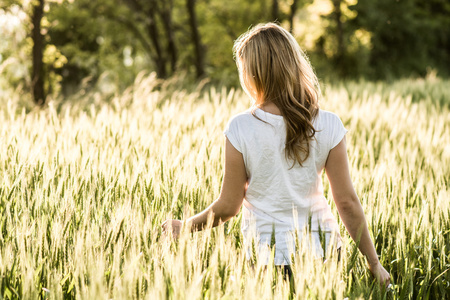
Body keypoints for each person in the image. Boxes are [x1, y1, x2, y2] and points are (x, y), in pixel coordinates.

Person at [162, 22, 390, 287]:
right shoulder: (329, 123)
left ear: (254, 73)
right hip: (326, 253)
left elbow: (229, 206)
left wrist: (186, 226)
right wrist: (374, 263)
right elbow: (347, 203)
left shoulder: (241, 127)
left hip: (268, 257)